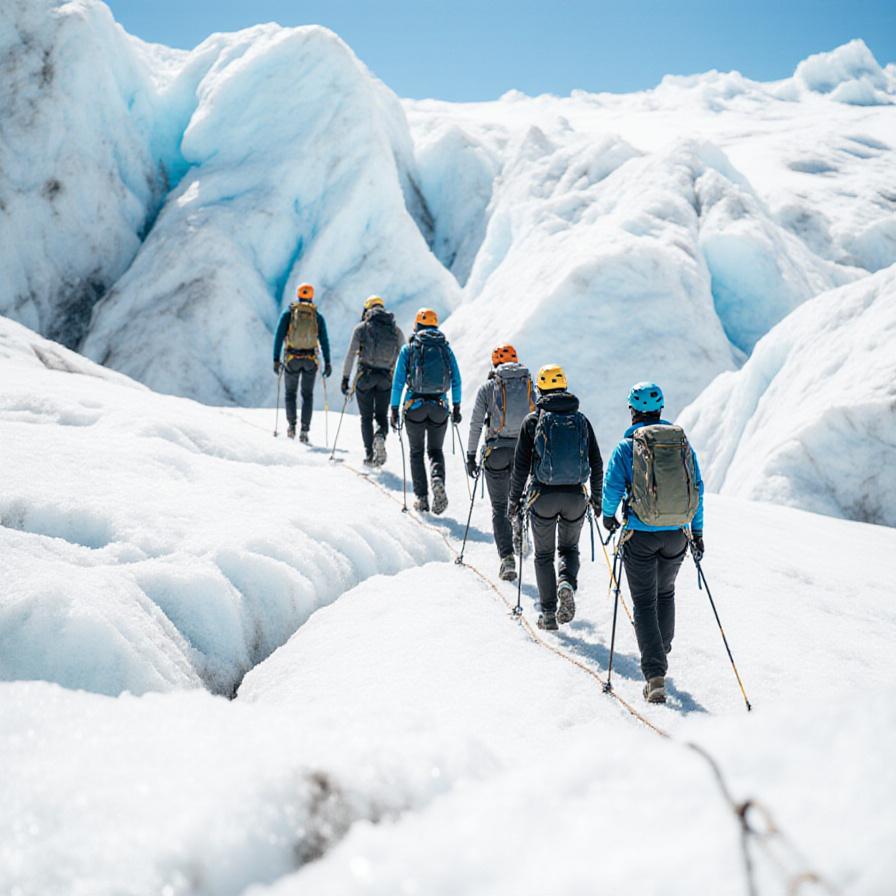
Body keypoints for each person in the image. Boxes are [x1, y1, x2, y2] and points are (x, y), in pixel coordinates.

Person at [601, 382, 704, 704]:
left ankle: (655, 675)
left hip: (640, 535)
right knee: (666, 593)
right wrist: (697, 533)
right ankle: (662, 648)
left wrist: (607, 517)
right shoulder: (681, 443)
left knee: (644, 603)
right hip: (677, 535)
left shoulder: (626, 446)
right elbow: (697, 488)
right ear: (661, 409)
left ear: (632, 410)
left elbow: (612, 487)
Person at [508, 365, 603, 630]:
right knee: (569, 549)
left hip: (542, 497)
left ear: (540, 390)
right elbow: (596, 462)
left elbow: (520, 467)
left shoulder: (532, 421)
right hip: (575, 497)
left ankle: (548, 614)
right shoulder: (581, 420)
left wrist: (513, 501)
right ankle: (566, 583)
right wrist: (597, 499)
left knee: (543, 555)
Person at [466, 344, 535, 581]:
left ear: (495, 364)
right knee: (519, 498)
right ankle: (519, 526)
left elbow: (476, 423)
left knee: (499, 507)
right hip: (524, 452)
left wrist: (470, 455)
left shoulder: (488, 387)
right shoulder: (529, 384)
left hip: (495, 452)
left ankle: (507, 559)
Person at [390, 308, 461, 514]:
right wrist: (456, 407)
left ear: (417, 325)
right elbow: (456, 379)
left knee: (416, 452)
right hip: (440, 407)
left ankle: (421, 499)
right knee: (435, 451)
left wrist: (394, 408)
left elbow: (398, 382)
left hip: (415, 407)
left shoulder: (409, 348)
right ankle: (437, 479)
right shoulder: (445, 348)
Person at [341, 295, 404, 466]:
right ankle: (380, 436)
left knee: (366, 418)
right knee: (382, 415)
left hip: (365, 377)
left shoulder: (361, 328)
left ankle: (369, 455)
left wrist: (346, 379)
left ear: (367, 310)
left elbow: (350, 355)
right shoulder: (395, 330)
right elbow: (403, 356)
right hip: (385, 379)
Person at [273, 283, 331, 442]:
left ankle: (291, 426)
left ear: (298, 295)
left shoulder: (289, 313)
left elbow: (278, 337)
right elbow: (324, 341)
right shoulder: (317, 316)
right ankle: (304, 431)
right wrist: (328, 362)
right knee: (307, 395)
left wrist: (276, 360)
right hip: (310, 361)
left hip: (292, 359)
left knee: (290, 393)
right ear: (311, 296)